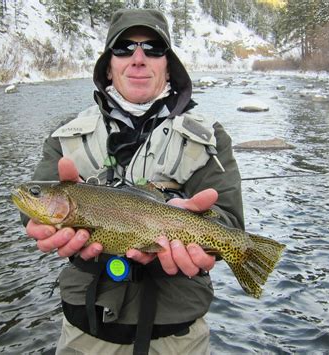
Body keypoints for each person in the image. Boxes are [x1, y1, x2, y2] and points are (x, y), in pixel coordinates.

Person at [22, 8, 244, 355]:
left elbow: (230, 220)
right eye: (124, 47)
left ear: (168, 64)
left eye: (153, 48)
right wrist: (37, 220)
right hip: (86, 334)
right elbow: (34, 204)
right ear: (107, 65)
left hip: (178, 339)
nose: (138, 58)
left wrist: (197, 230)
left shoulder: (209, 137)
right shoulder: (65, 136)